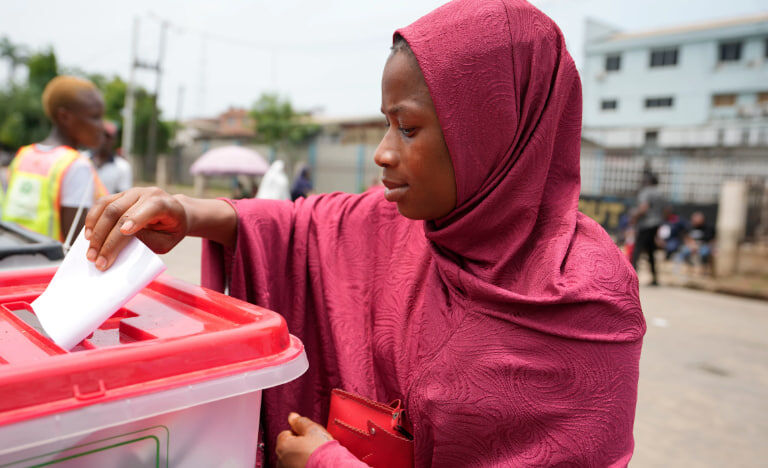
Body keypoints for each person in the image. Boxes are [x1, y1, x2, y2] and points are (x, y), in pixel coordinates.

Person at [83, 1, 645, 466]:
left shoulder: (587, 302)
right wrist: (184, 212)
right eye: (385, 123)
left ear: (492, 130)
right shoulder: (416, 225)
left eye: (408, 127)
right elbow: (306, 226)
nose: (383, 151)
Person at [2, 75, 107, 242]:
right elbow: (76, 244)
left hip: (16, 260)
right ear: (64, 117)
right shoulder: (75, 166)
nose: (102, 126)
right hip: (54, 265)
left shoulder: (24, 155)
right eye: (95, 116)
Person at [631, 172, 664, 286]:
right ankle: (655, 278)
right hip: (656, 224)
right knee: (650, 251)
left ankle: (632, 276)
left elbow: (643, 208)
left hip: (646, 224)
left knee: (637, 249)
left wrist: (634, 217)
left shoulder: (646, 192)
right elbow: (665, 210)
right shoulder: (660, 194)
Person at [91, 120, 132, 194]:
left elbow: (122, 195)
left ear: (114, 140)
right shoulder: (82, 160)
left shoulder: (122, 167)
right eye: (100, 134)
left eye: (107, 136)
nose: (103, 139)